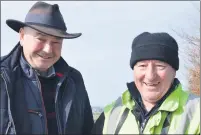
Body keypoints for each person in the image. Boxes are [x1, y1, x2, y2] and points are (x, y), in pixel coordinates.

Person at [0, 1, 94, 134]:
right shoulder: (3, 77)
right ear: (22, 36)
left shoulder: (74, 80)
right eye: (41, 39)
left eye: (56, 42)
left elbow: (88, 130)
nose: (48, 49)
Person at [92, 32, 200, 134]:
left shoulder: (196, 112)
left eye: (160, 66)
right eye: (142, 66)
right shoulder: (110, 115)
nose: (150, 76)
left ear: (174, 71)